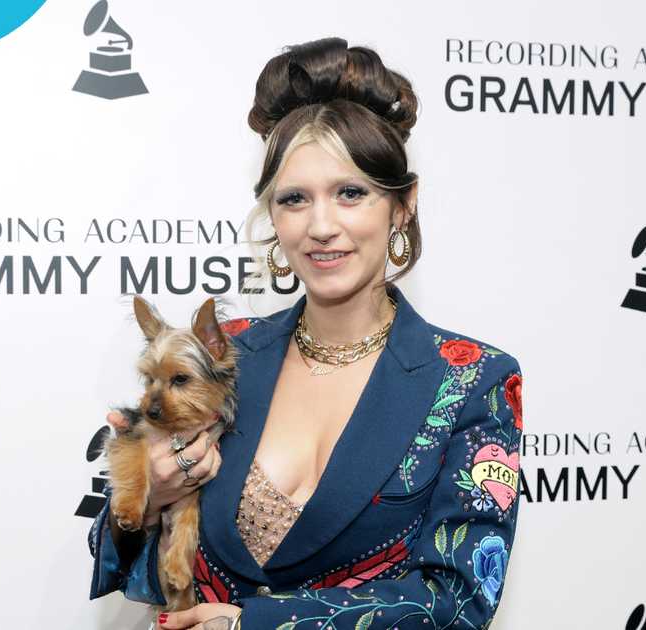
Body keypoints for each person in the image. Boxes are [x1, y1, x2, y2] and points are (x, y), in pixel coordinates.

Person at [89, 37, 525, 630]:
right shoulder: (224, 354)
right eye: (295, 199)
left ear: (402, 205)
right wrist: (146, 499)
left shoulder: (472, 378)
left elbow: (459, 599)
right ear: (273, 215)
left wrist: (252, 623)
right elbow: (119, 551)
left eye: (351, 193)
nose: (321, 226)